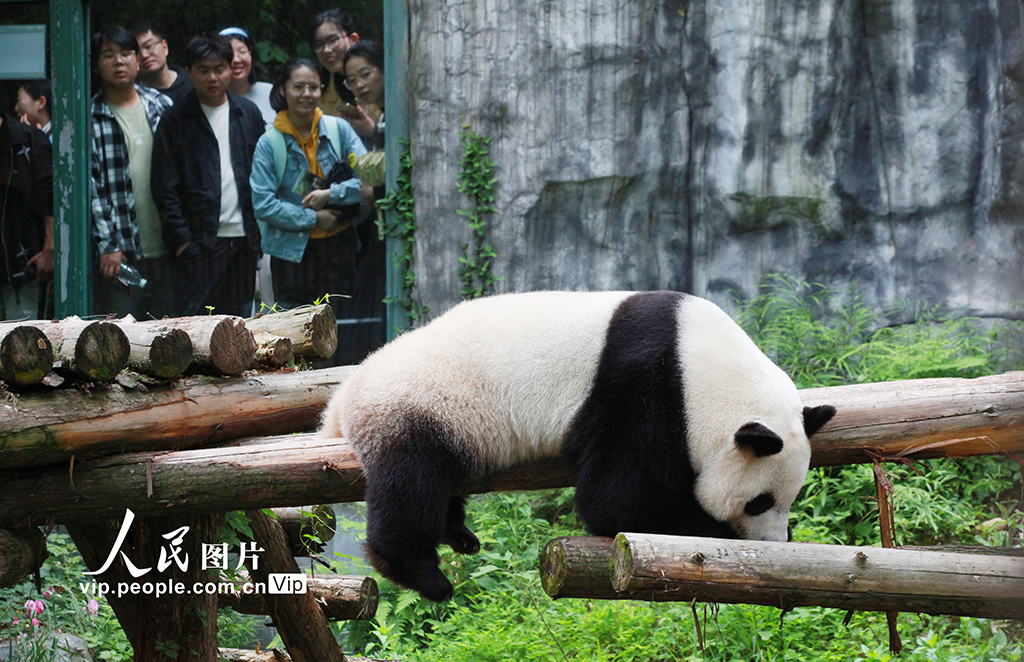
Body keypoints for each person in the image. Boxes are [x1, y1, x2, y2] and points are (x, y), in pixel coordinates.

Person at [151, 34, 265, 318]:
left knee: (239, 323)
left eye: (220, 68)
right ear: (189, 72)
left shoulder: (248, 114)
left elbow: (262, 177)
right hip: (199, 242)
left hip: (244, 241)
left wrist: (259, 239)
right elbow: (164, 187)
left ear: (230, 68)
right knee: (197, 324)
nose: (213, 77)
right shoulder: (175, 120)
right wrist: (182, 242)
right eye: (203, 70)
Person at [249, 58, 365, 314]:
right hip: (290, 255)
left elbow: (368, 180)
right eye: (298, 87)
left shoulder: (340, 131)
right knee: (296, 333)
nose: (307, 94)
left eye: (313, 87)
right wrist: (313, 218)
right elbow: (263, 205)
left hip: (339, 248)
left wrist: (331, 194)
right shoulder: (269, 144)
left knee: (342, 329)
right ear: (283, 90)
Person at [90, 26, 174, 318]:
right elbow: (92, 186)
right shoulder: (90, 116)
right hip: (121, 252)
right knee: (124, 336)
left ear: (138, 60)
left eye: (126, 53)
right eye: (108, 55)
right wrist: (108, 244)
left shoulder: (162, 105)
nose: (119, 61)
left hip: (169, 243)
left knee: (172, 335)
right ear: (96, 65)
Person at [0, 87, 53, 320]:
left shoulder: (29, 139)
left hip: (23, 263)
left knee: (24, 341)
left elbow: (49, 198)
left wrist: (50, 248)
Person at [309, 10, 363, 118]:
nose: (326, 50)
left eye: (333, 40)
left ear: (353, 39)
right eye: (319, 44)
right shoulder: (318, 94)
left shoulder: (380, 79)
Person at [219, 27, 275, 125]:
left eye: (242, 52)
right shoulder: (213, 98)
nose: (236, 59)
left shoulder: (270, 92)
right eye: (229, 54)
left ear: (251, 54)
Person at [129, 22, 194, 106]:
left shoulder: (193, 81)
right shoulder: (136, 98)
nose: (144, 55)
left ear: (164, 47)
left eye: (148, 46)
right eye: (137, 52)